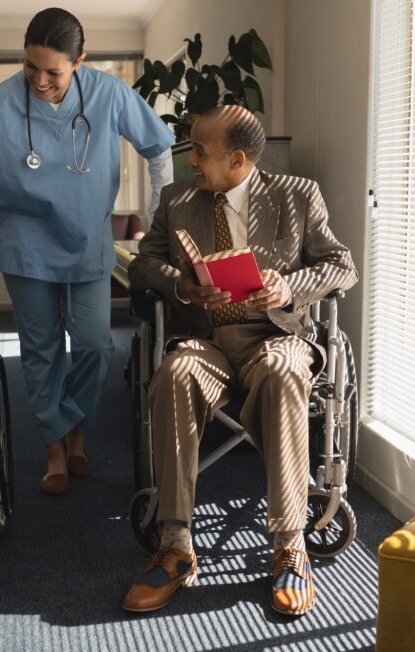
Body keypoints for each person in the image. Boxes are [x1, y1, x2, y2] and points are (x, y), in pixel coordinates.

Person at [123, 106, 358, 616]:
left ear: (236, 158)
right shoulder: (177, 199)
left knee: (282, 369)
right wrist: (179, 285)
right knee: (174, 372)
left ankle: (289, 544)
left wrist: (288, 286)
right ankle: (177, 545)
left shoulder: (297, 194)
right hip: (205, 339)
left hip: (272, 336)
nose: (191, 163)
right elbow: (144, 265)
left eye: (200, 152)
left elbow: (343, 265)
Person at [0, 7, 175, 496]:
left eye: (53, 71)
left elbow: (159, 148)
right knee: (42, 352)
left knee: (95, 346)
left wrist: (158, 218)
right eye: (30, 66)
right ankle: (57, 448)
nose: (39, 80)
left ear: (80, 61)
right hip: (27, 243)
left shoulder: (109, 94)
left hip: (88, 239)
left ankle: (72, 426)